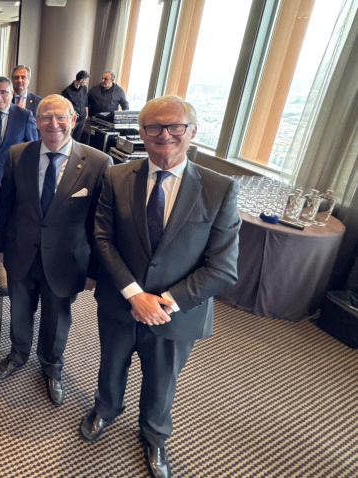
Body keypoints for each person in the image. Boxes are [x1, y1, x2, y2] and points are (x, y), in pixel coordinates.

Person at [79, 95, 240, 478]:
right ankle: (106, 408)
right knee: (111, 363)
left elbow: (222, 268)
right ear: (141, 132)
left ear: (192, 132)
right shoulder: (117, 176)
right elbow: (102, 239)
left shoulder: (219, 189)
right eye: (154, 127)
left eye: (175, 126)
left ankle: (153, 434)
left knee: (162, 378)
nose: (164, 135)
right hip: (120, 301)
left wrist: (162, 302)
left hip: (176, 312)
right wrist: (135, 294)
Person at [0, 95, 111, 406]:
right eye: (45, 117)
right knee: (20, 311)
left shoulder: (98, 163)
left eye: (61, 117)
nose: (53, 124)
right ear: (36, 120)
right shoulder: (18, 155)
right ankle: (18, 354)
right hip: (21, 253)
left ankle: (51, 366)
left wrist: (94, 271)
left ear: (74, 120)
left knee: (56, 319)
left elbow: (100, 225)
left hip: (66, 261)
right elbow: (6, 207)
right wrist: (1, 247)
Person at [62, 70, 90, 143]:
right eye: (86, 80)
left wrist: (86, 115)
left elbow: (85, 102)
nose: (86, 82)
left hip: (82, 119)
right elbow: (65, 107)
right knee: (68, 138)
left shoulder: (84, 88)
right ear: (81, 80)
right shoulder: (67, 91)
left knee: (77, 139)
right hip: (72, 119)